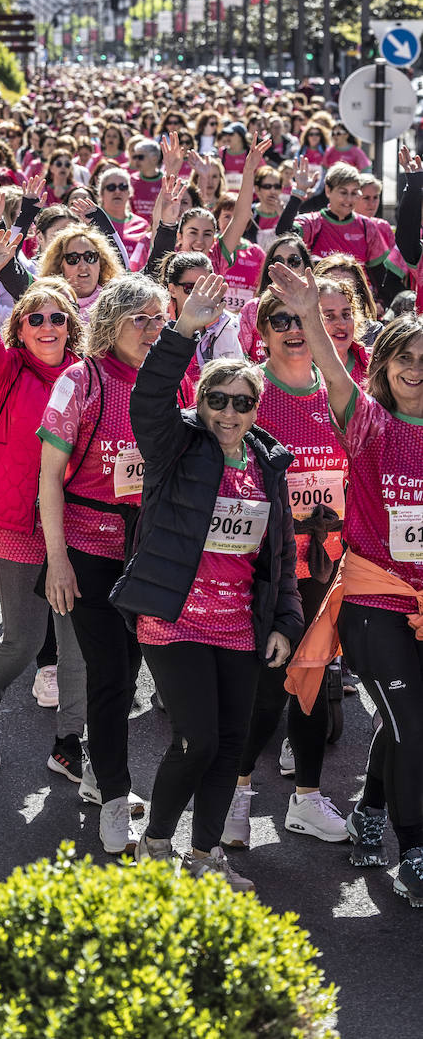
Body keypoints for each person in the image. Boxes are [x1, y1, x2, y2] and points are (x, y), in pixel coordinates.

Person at [114, 271, 301, 892]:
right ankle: (157, 843)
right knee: (195, 740)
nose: (228, 412)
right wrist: (182, 330)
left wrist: (283, 624)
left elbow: (280, 557)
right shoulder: (178, 447)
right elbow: (146, 398)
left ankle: (207, 854)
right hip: (175, 617)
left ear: (255, 409)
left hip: (240, 626)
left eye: (241, 402)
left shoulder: (269, 464)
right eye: (217, 400)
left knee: (229, 744)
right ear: (201, 404)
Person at [268, 262, 423, 908]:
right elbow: (332, 373)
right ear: (383, 366)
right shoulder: (369, 427)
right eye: (405, 358)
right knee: (413, 725)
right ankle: (414, 850)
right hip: (372, 600)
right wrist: (309, 315)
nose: (416, 367)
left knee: (405, 719)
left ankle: (371, 808)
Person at [39, 274, 169, 855]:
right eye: (139, 317)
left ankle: (97, 770)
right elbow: (47, 480)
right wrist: (58, 559)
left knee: (130, 674)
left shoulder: (172, 383)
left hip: (147, 556)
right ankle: (115, 800)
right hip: (88, 551)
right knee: (112, 676)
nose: (150, 329)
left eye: (158, 319)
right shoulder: (80, 379)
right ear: (112, 320)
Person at [222, 285, 351, 852]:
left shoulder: (343, 393)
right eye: (282, 320)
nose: (295, 330)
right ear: (262, 329)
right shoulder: (250, 393)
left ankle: (305, 798)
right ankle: (236, 796)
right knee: (267, 690)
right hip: (267, 568)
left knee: (315, 683)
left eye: (307, 319)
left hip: (329, 566)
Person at [0, 232, 87, 784]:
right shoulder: (2, 373)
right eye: (35, 318)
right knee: (24, 640)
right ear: (21, 329)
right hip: (16, 524)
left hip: (76, 523)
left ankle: (68, 740)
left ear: (71, 327)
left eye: (57, 318)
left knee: (74, 642)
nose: (46, 326)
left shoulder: (89, 378)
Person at [38, 223, 122, 322]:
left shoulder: (117, 302)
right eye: (73, 258)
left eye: (90, 257)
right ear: (60, 265)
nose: (83, 266)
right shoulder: (44, 304)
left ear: (101, 262)